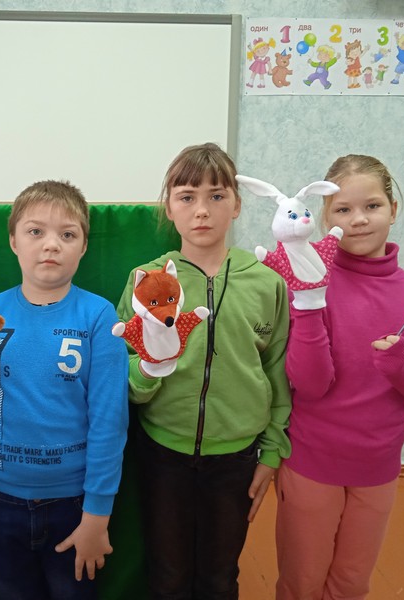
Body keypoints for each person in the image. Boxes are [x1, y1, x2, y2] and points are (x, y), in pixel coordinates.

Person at [274, 154, 404, 600]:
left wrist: (401, 368)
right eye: (343, 209)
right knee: (302, 582)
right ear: (325, 219)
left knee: (352, 583)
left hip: (378, 469)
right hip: (310, 465)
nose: (358, 219)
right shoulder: (306, 281)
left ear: (393, 209)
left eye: (372, 206)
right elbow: (310, 384)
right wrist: (309, 306)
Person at [0, 180, 129, 599]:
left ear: (84, 246)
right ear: (13, 241)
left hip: (74, 503)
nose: (51, 245)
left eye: (68, 234)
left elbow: (109, 423)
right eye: (35, 231)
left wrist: (97, 513)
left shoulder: (99, 317)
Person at [117, 142, 292, 599]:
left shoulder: (267, 283)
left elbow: (277, 370)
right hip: (162, 453)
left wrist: (272, 452)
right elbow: (126, 372)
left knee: (219, 577)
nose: (202, 210)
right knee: (168, 575)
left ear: (236, 204)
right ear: (169, 208)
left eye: (217, 195)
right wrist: (148, 369)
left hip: (237, 457)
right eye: (187, 196)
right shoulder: (145, 281)